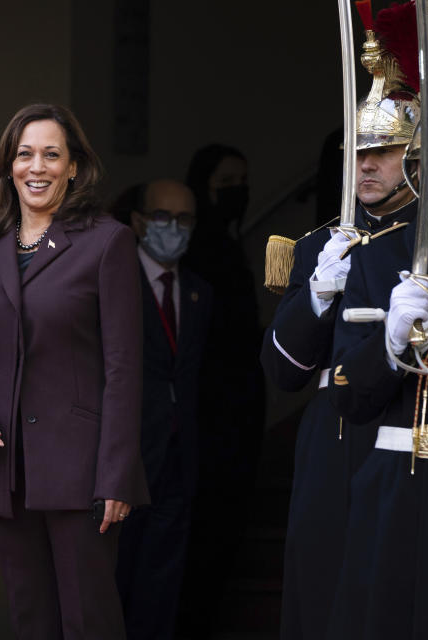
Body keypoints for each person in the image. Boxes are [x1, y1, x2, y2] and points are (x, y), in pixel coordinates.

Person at [0, 103, 149, 639]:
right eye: (24, 154)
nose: (37, 167)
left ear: (74, 167)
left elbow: (125, 370)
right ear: (8, 166)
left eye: (51, 155)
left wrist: (116, 477)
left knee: (89, 621)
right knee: (29, 620)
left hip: (82, 473)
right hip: (5, 468)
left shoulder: (108, 242)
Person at [260, 4, 418, 638]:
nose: (367, 167)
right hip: (331, 432)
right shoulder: (321, 242)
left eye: (384, 152)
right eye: (360, 153)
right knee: (322, 585)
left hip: (402, 417)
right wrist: (318, 294)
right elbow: (283, 371)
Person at [327, 18, 428, 639]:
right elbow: (345, 395)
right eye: (426, 160)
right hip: (393, 480)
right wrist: (388, 348)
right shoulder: (375, 256)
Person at [110, 179, 213, 640]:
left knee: (162, 585)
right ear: (137, 221)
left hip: (177, 459)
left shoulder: (199, 291)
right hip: (122, 461)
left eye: (184, 219)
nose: (173, 228)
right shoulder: (110, 281)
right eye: (161, 217)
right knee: (113, 583)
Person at [176, 143, 265, 637]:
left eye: (242, 183)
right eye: (225, 184)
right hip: (210, 413)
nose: (237, 193)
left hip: (235, 408)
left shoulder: (228, 246)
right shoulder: (203, 250)